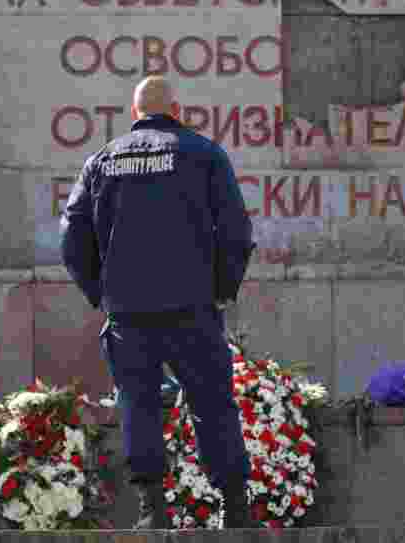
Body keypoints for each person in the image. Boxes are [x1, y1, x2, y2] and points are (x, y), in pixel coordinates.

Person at [60, 75, 257, 530]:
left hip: (129, 313)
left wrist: (102, 291)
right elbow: (236, 233)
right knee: (213, 403)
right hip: (192, 308)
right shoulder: (204, 154)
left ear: (135, 115)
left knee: (138, 404)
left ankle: (153, 510)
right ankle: (235, 507)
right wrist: (222, 289)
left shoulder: (102, 160)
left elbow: (72, 239)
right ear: (177, 110)